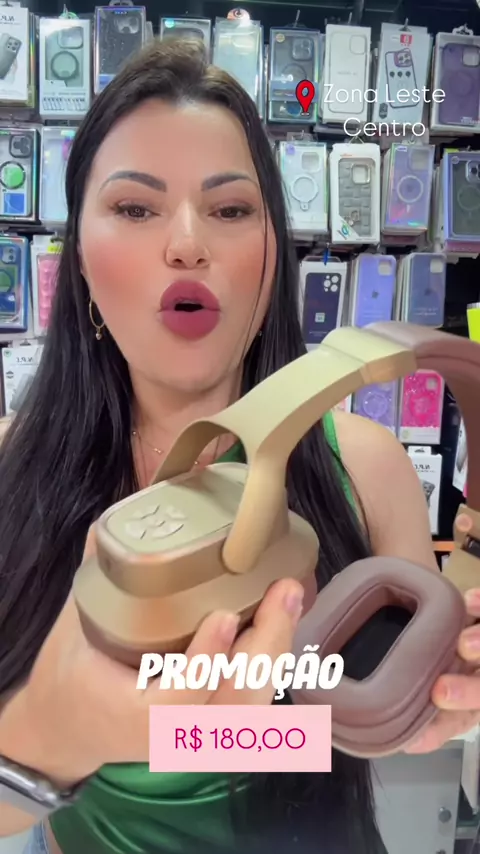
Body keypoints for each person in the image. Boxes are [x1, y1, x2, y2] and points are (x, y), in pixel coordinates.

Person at [0, 37, 479, 854]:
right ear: (76, 256)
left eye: (229, 211)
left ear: (271, 253)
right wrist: (48, 737)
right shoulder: (13, 470)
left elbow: (395, 724)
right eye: (136, 208)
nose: (187, 243)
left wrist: (440, 695)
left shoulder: (365, 466)